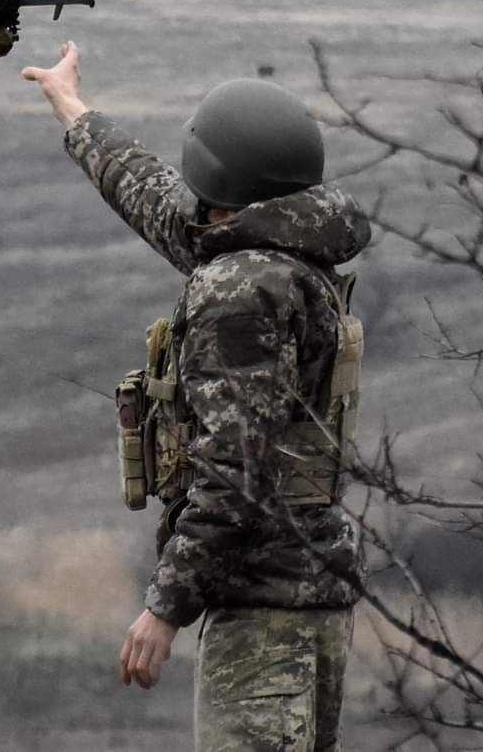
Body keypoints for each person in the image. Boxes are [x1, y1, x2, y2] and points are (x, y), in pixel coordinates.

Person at [22, 42, 370, 751]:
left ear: (220, 179)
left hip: (262, 614)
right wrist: (74, 111)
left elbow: (231, 472)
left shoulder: (239, 292)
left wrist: (165, 606)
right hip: (307, 598)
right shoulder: (290, 255)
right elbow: (161, 204)